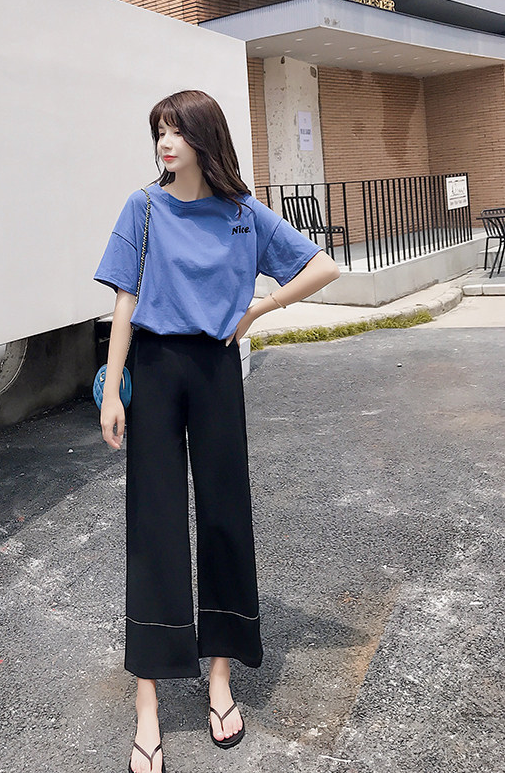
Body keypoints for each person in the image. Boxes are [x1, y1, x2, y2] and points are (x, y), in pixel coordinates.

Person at [93, 90, 340, 773]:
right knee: (154, 521)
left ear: (205, 138)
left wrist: (260, 307)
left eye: (176, 130)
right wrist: (111, 389)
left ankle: (220, 674)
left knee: (226, 514)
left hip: (216, 369)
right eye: (158, 131)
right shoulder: (143, 207)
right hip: (154, 367)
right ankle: (147, 699)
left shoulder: (242, 214)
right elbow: (125, 300)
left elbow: (323, 265)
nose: (164, 142)